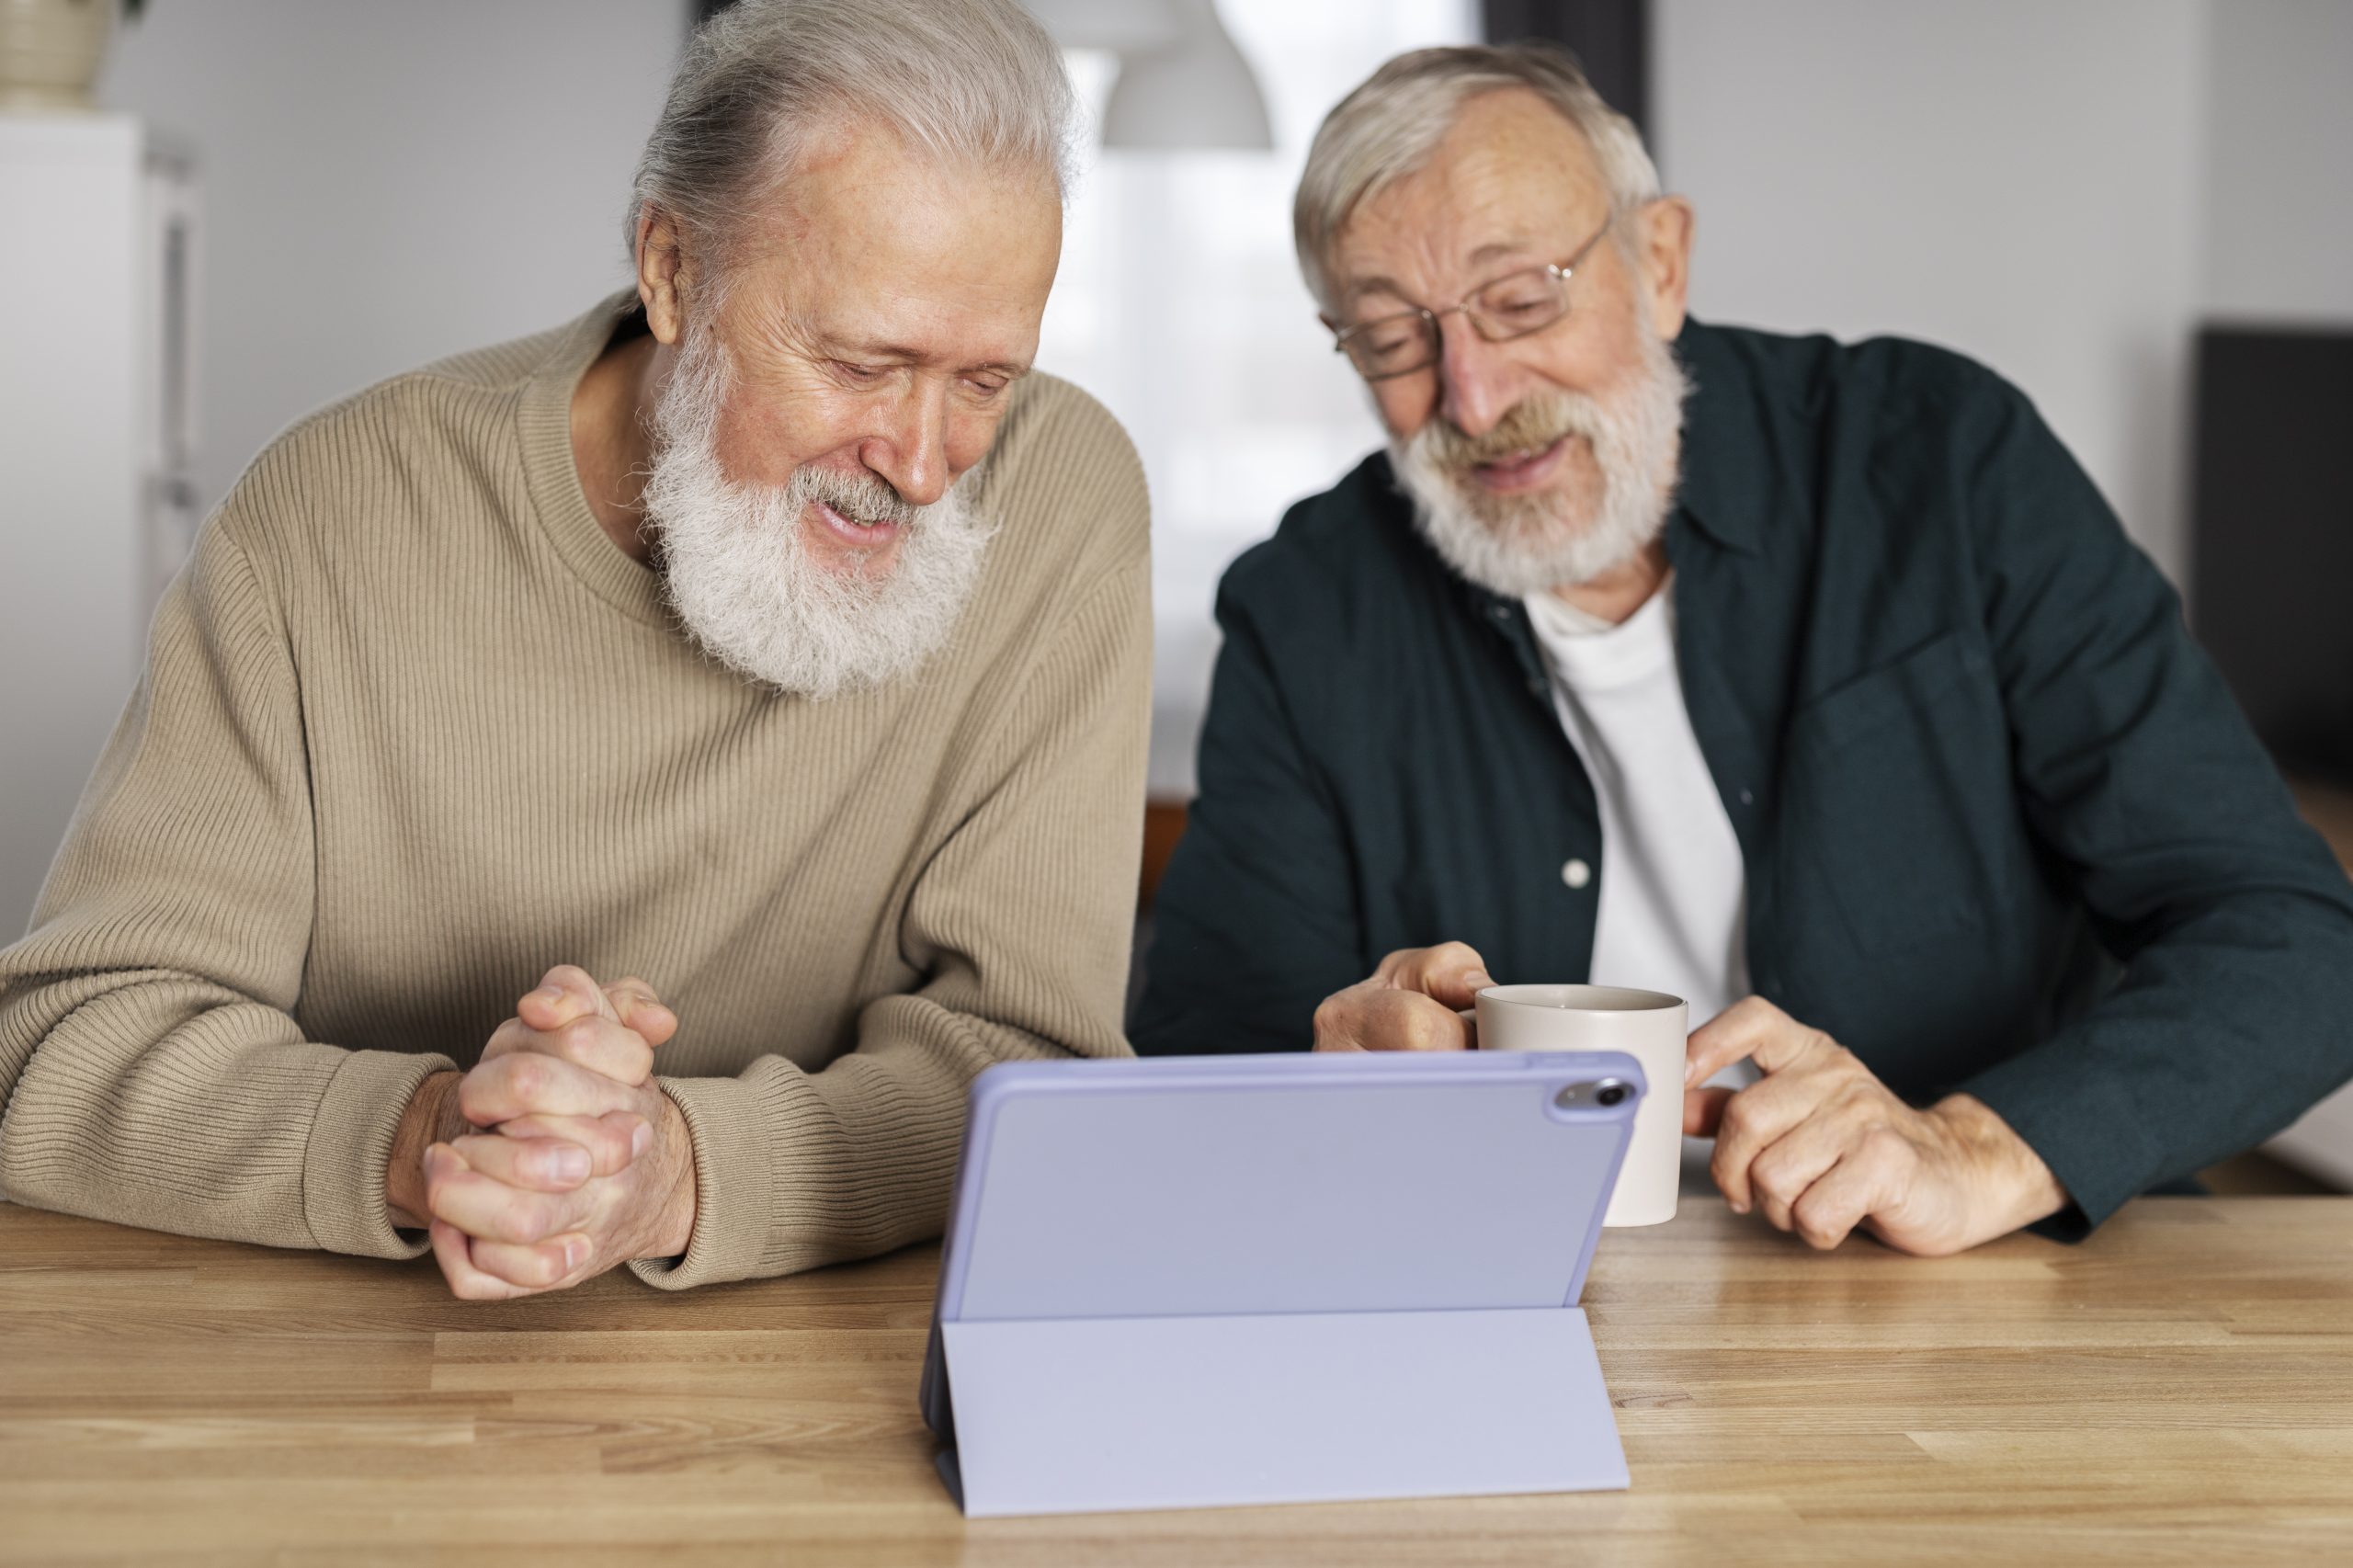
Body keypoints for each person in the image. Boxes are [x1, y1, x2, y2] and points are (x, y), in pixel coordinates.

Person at [0, 0, 1151, 1299]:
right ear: (670, 269)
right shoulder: (328, 515)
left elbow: (1031, 1075)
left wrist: (675, 1169)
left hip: (824, 1379)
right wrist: (439, 1135)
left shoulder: (1063, 503)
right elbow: (63, 1047)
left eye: (988, 381)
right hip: (330, 1375)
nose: (926, 464)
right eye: (858, 363)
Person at [1132, 44, 2353, 1255]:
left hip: (1976, 1290)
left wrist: (1977, 1147)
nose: (1476, 395)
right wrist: (1319, 1063)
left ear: (1659, 262)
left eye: (1521, 299)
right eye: (1394, 338)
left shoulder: (1944, 465)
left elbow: (2292, 940)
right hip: (1507, 1283)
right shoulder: (1304, 605)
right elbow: (1201, 1049)